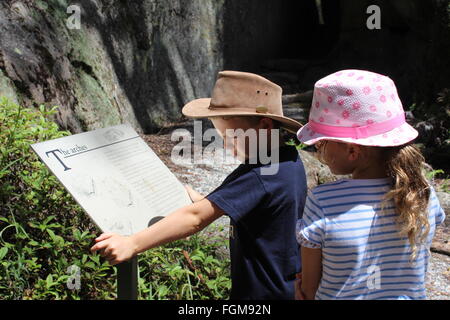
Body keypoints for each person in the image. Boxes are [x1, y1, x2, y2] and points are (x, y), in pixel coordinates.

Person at [91, 71, 307, 299]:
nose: (226, 146)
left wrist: (132, 243)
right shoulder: (287, 161)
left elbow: (195, 219)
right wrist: (207, 200)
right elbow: (261, 206)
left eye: (230, 137)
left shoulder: (261, 173)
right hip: (283, 288)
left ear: (263, 126)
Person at [295, 69, 446, 300]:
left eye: (322, 142)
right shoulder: (423, 193)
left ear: (353, 150)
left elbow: (309, 288)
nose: (318, 148)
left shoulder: (323, 201)